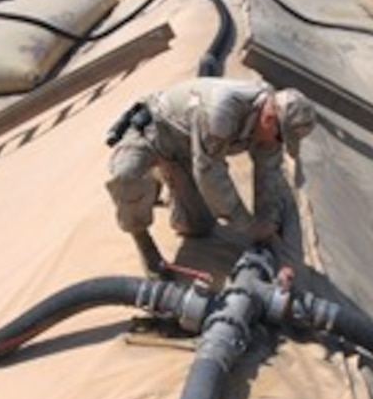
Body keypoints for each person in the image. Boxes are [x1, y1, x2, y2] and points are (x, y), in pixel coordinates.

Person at [105, 77, 316, 277]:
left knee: (197, 227)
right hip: (152, 132)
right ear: (270, 120)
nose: (277, 143)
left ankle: (165, 176)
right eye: (280, 137)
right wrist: (248, 226)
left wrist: (267, 224)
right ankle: (142, 240)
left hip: (188, 152)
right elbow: (210, 175)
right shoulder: (221, 112)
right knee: (127, 177)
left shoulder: (270, 132)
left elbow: (268, 177)